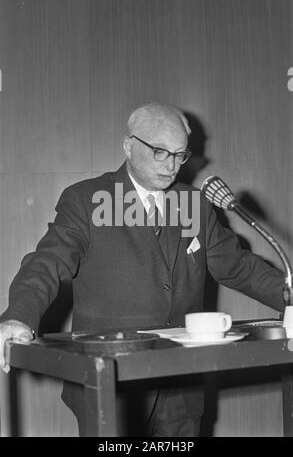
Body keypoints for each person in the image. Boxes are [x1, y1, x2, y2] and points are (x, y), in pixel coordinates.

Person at [0, 102, 285, 436]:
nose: (172, 165)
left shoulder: (194, 205)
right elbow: (47, 263)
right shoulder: (88, 200)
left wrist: (290, 298)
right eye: (160, 152)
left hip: (182, 385)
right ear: (128, 145)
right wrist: (19, 315)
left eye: (180, 155)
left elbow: (239, 268)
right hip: (112, 386)